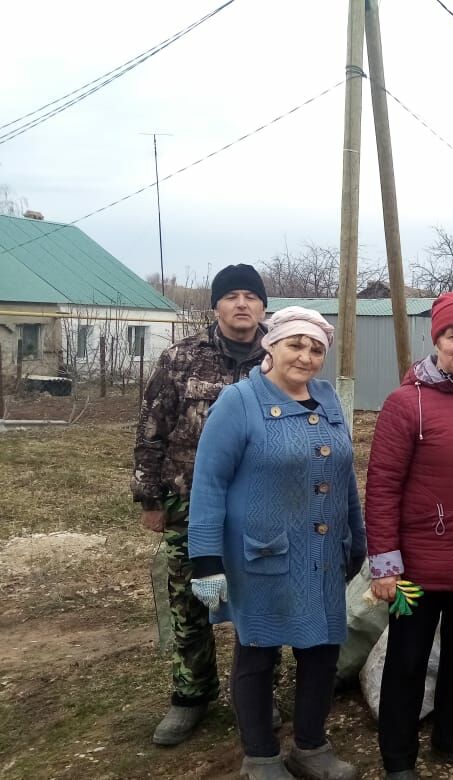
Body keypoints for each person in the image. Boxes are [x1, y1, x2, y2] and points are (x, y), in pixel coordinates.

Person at [188, 306, 366, 780]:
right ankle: (261, 757)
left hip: (324, 554)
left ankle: (311, 746)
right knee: (258, 651)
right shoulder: (239, 401)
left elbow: (345, 475)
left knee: (323, 650)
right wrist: (205, 560)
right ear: (271, 345)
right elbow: (208, 484)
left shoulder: (327, 399)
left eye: (315, 349)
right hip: (262, 555)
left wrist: (358, 537)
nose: (305, 356)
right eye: (295, 344)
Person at [132, 263, 279, 745]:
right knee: (190, 602)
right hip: (189, 505)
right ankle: (190, 695)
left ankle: (258, 695)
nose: (242, 304)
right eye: (231, 296)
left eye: (251, 297)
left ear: (263, 306)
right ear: (215, 305)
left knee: (257, 603)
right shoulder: (181, 358)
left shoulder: (281, 357)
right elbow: (152, 430)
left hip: (261, 508)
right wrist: (151, 499)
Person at [365, 292, 453, 780]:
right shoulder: (408, 403)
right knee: (407, 658)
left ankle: (451, 738)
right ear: (437, 339)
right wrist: (386, 564)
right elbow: (382, 484)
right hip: (415, 572)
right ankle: (398, 757)